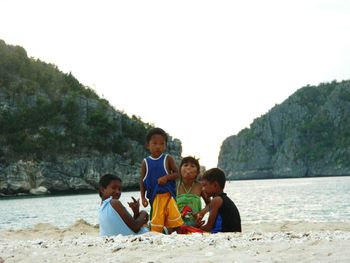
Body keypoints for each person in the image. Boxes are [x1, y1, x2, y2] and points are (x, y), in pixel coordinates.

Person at [140, 127, 184, 233]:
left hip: (169, 195)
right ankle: (163, 232)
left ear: (165, 145)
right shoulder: (145, 162)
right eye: (154, 143)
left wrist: (167, 177)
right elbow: (142, 181)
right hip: (155, 198)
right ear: (148, 145)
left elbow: (178, 173)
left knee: (175, 221)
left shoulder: (167, 158)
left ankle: (175, 232)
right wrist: (143, 198)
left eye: (162, 143)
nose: (158, 146)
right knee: (157, 226)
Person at [197, 168, 241, 233]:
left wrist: (194, 228)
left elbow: (208, 227)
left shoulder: (216, 200)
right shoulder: (223, 199)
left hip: (224, 236)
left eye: (204, 185)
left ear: (215, 185)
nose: (202, 189)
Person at [176, 156, 210, 226]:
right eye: (185, 165)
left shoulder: (200, 186)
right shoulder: (174, 186)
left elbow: (210, 204)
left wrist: (201, 213)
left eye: (192, 166)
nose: (188, 168)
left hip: (195, 225)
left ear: (197, 172)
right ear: (180, 170)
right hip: (177, 225)